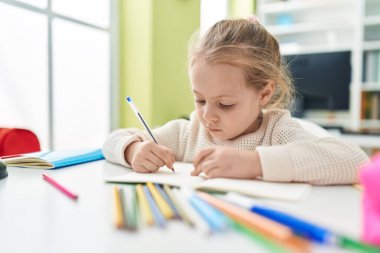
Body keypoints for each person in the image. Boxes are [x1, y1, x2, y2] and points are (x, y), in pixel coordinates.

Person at [103, 17, 369, 185]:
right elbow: (110, 140)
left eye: (225, 104)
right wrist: (133, 151)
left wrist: (254, 163)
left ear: (264, 93)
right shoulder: (189, 133)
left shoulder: (276, 131)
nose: (208, 116)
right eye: (200, 99)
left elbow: (356, 162)